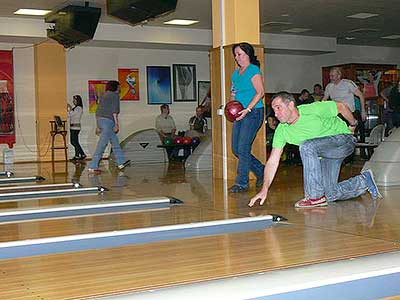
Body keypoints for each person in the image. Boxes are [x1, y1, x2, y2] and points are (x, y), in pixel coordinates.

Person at [249, 92, 382, 208]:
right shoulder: (282, 131)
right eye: (274, 110)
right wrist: (264, 189)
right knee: (330, 194)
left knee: (307, 146)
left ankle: (314, 197)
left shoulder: (313, 109)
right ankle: (365, 181)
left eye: (279, 108)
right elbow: (272, 161)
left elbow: (341, 106)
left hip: (343, 140)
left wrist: (353, 124)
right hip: (325, 154)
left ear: (290, 105)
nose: (276, 114)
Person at [228, 42, 265, 193]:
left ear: (248, 54)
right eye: (236, 55)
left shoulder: (253, 70)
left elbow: (260, 92)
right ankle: (262, 170)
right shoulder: (236, 74)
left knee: (243, 148)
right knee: (236, 148)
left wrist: (248, 109)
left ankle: (242, 183)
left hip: (254, 112)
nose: (237, 58)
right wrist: (229, 107)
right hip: (240, 113)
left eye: (240, 54)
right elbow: (234, 93)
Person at [88, 80, 130, 173]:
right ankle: (93, 166)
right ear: (115, 87)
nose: (120, 88)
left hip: (100, 120)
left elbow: (98, 110)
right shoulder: (115, 96)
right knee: (102, 144)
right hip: (108, 121)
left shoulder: (103, 95)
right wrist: (116, 124)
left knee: (115, 142)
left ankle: (121, 161)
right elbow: (115, 111)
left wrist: (97, 125)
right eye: (119, 86)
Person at [67, 95, 86, 161]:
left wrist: (69, 108)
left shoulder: (79, 108)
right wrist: (70, 109)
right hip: (73, 127)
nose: (73, 101)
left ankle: (79, 155)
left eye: (75, 100)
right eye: (73, 100)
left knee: (74, 142)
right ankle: (80, 155)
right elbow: (69, 115)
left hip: (75, 127)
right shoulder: (75, 108)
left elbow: (71, 114)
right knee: (75, 141)